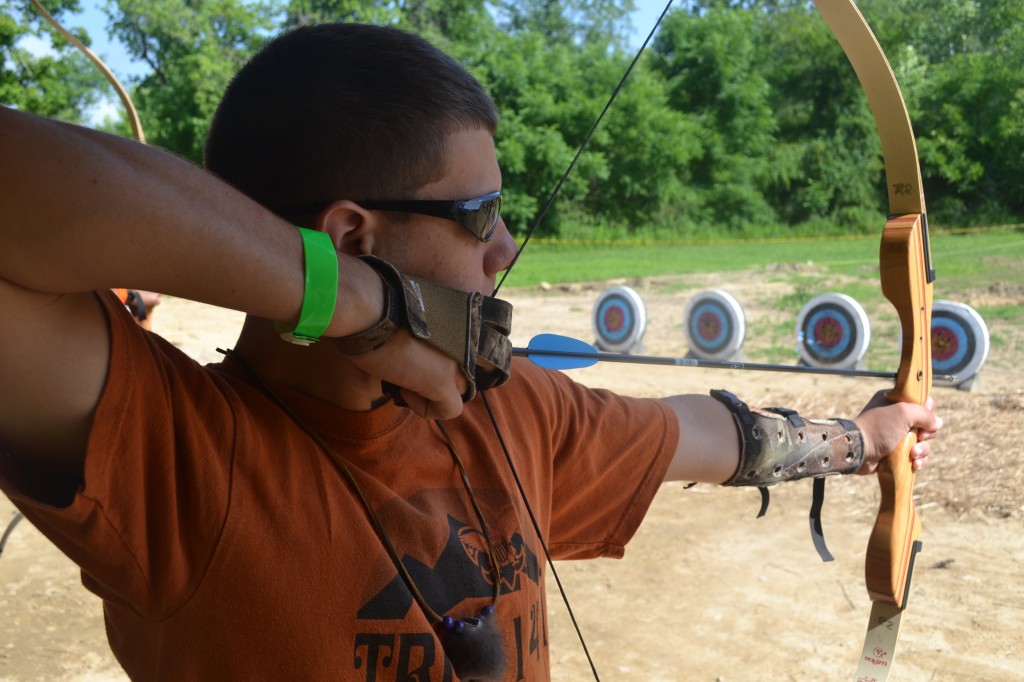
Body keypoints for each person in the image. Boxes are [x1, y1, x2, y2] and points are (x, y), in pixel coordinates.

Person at [0, 23, 940, 681]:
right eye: (478, 216)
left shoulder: (506, 407)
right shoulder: (177, 457)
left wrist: (864, 440)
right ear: (354, 234)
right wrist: (359, 307)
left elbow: (706, 434)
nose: (503, 249)